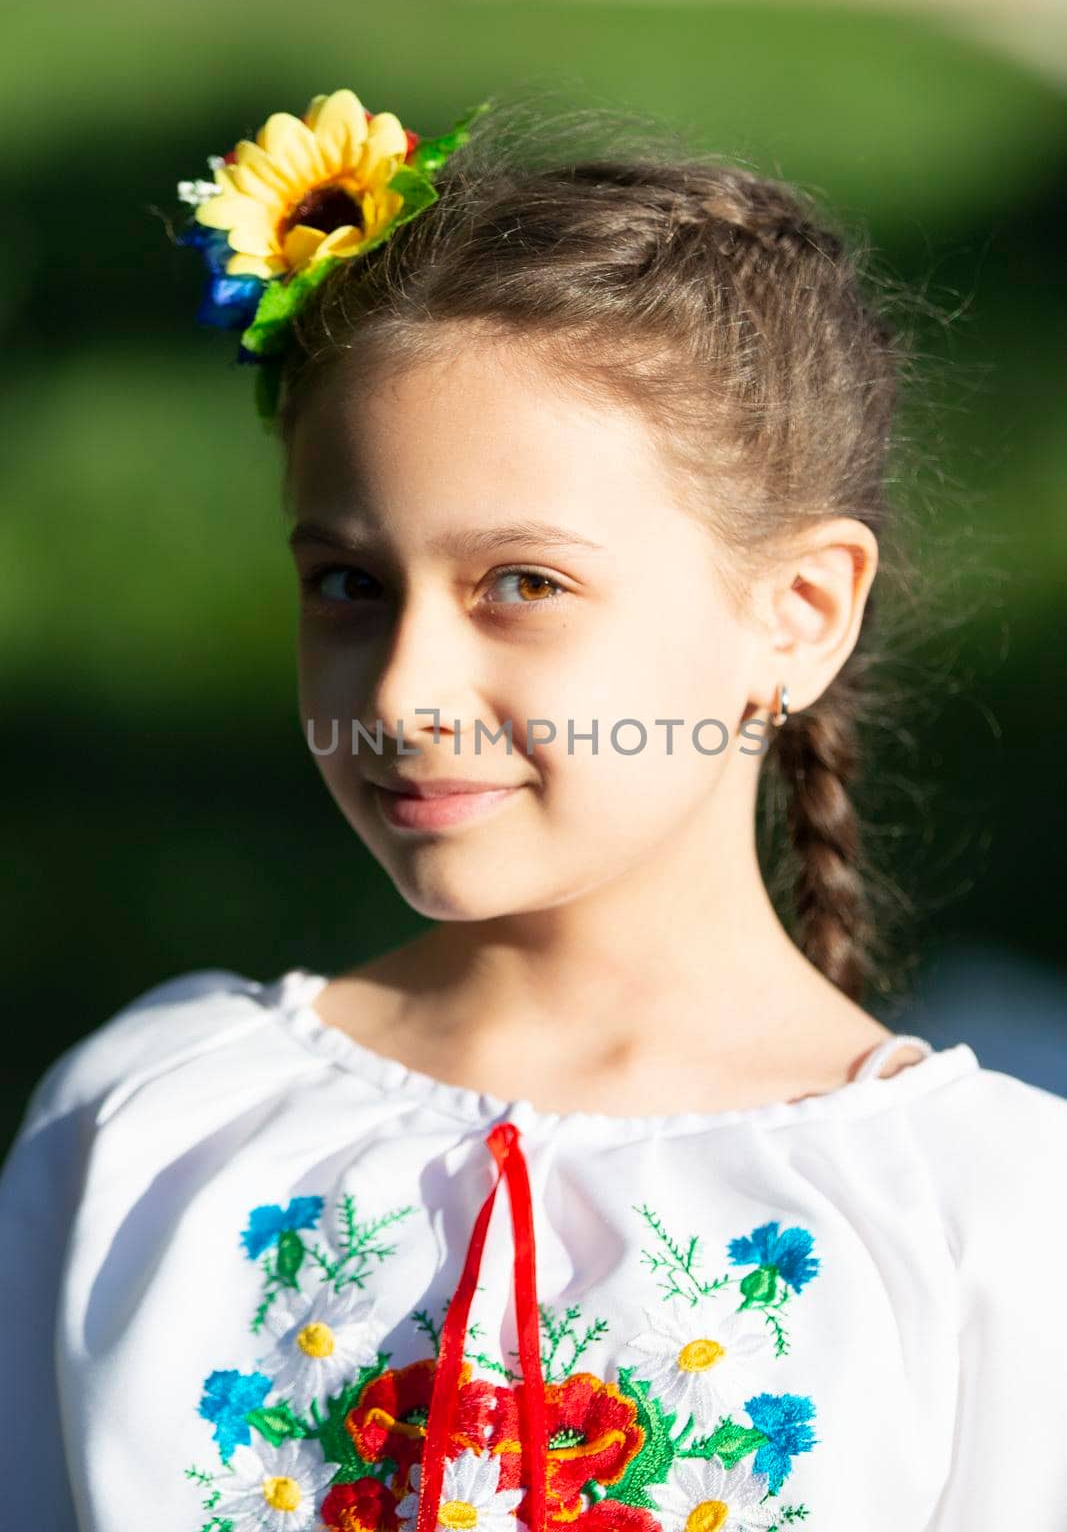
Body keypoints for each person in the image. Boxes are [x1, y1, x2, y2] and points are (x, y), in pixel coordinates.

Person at [1, 86, 1064, 1532]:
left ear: (798, 614)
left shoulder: (983, 1223)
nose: (404, 687)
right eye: (349, 585)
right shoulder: (150, 1130)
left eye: (522, 584)